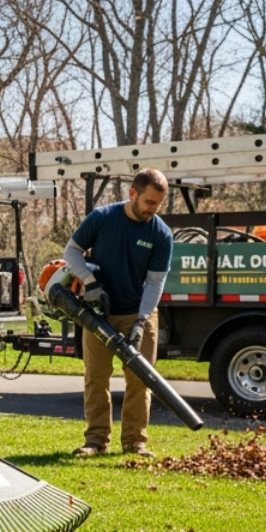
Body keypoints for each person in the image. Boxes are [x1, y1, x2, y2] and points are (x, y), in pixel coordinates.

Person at [63, 167, 174, 457]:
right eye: (149, 202)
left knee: (140, 379)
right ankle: (96, 441)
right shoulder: (102, 218)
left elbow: (155, 282)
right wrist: (90, 282)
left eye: (158, 204)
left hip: (137, 312)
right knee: (96, 377)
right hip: (98, 313)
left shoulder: (161, 233)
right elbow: (71, 252)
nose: (153, 209)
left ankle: (135, 442)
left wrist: (141, 321)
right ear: (133, 193)